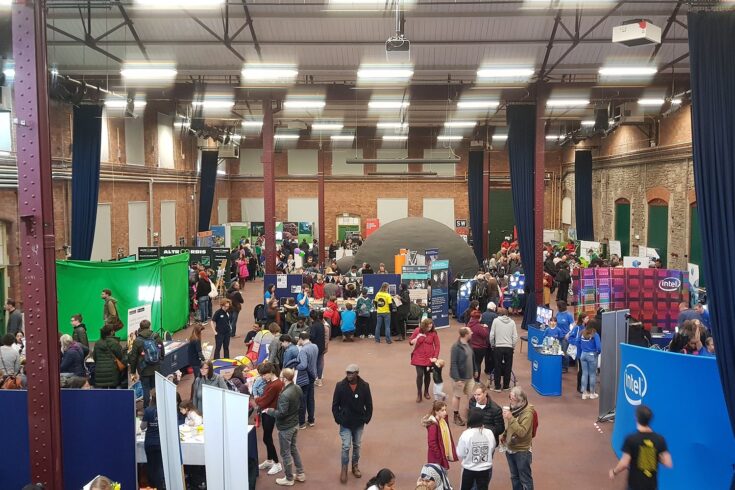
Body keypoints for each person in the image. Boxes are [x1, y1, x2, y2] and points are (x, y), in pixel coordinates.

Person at [609, 405, 673, 489]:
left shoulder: (631, 439)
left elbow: (624, 463)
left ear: (636, 418)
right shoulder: (660, 439)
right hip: (651, 486)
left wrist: (614, 472)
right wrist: (653, 454)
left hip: (634, 485)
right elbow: (668, 463)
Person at [332, 363, 373, 483]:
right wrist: (338, 418)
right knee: (345, 446)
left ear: (357, 373)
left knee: (357, 445)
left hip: (359, 422)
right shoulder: (340, 386)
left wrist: (366, 418)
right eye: (347, 373)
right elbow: (335, 405)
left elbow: (369, 404)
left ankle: (355, 466)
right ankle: (344, 468)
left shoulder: (365, 386)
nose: (348, 375)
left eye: (351, 373)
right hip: (345, 422)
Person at [263, 368, 305, 486]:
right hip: (295, 424)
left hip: (286, 427)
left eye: (281, 377)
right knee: (293, 449)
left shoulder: (285, 394)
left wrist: (269, 411)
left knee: (285, 453)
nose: (280, 378)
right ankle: (300, 473)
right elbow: (301, 404)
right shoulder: (297, 388)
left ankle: (289, 478)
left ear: (285, 379)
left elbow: (281, 413)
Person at [253, 362, 285, 476]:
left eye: (263, 375)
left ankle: (277, 463)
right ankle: (270, 460)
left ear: (270, 373)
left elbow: (263, 401)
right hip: (268, 413)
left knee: (267, 438)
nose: (262, 377)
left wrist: (256, 398)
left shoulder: (274, 385)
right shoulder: (273, 383)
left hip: (269, 414)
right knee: (267, 438)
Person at [502, 386, 535, 490]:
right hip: (510, 447)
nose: (510, 400)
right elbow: (511, 426)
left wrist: (510, 418)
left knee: (525, 479)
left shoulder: (528, 413)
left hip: (522, 451)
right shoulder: (515, 408)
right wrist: (505, 435)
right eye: (510, 397)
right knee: (514, 477)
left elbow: (522, 432)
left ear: (519, 399)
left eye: (512, 398)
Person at [128, 320, 165, 408]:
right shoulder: (156, 336)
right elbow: (162, 350)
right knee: (155, 387)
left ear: (140, 327)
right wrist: (160, 360)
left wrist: (133, 371)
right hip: (156, 367)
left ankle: (146, 408)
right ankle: (157, 406)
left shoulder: (137, 341)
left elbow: (133, 357)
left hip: (144, 369)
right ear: (149, 326)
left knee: (146, 388)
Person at [457, 409, 496, 490]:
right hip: (485, 469)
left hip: (469, 469)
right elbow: (492, 448)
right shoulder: (489, 433)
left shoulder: (466, 434)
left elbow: (461, 453)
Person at [410, 318, 441, 403]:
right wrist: (415, 340)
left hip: (429, 357)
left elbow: (437, 346)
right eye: (428, 327)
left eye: (431, 327)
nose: (429, 328)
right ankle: (419, 394)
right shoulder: (417, 330)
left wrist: (435, 357)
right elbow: (410, 341)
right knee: (419, 375)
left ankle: (426, 391)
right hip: (418, 356)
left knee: (427, 375)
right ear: (424, 325)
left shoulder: (433, 333)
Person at [422, 401, 458, 470]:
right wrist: (439, 456)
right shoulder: (433, 425)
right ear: (436, 411)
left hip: (442, 455)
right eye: (442, 410)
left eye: (445, 410)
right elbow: (432, 443)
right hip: (436, 458)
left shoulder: (442, 421)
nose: (445, 412)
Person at [450, 327, 475, 426]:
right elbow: (454, 363)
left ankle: (470, 414)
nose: (472, 333)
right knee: (457, 396)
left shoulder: (469, 344)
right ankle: (456, 416)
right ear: (466, 334)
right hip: (459, 378)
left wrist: (476, 369)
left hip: (470, 377)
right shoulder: (455, 347)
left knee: (472, 396)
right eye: (470, 332)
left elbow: (472, 357)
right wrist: (457, 379)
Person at [489, 308, 518, 392]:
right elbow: (515, 336)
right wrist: (512, 346)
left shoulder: (495, 321)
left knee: (497, 366)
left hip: (498, 347)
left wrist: (492, 345)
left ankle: (497, 387)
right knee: (508, 367)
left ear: (499, 314)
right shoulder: (512, 322)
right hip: (509, 348)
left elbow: (492, 335)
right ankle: (506, 386)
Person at [141, 389, 164, 490]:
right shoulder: (164, 410)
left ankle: (152, 486)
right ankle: (160, 486)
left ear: (152, 399)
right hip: (160, 442)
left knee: (151, 465)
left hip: (149, 442)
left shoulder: (148, 410)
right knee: (160, 465)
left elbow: (143, 427)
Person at [295, 331, 318, 429]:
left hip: (305, 376)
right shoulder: (315, 346)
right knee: (310, 399)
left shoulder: (303, 350)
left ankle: (301, 422)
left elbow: (303, 365)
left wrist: (295, 365)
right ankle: (311, 420)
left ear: (301, 339)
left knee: (302, 399)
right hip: (313, 374)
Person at [567, 312, 590, 393]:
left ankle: (586, 386)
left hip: (586, 351)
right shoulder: (577, 328)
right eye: (587, 318)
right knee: (581, 370)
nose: (588, 319)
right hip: (579, 352)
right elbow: (570, 338)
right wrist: (577, 343)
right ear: (583, 319)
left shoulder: (587, 327)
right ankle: (579, 386)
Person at [579, 325, 601, 400]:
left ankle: (584, 394)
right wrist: (597, 352)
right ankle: (592, 393)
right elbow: (598, 347)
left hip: (583, 355)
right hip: (592, 355)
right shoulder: (595, 334)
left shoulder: (582, 333)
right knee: (592, 374)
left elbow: (578, 343)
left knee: (584, 374)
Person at [467, 310, 489, 382]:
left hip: (470, 347)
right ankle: (476, 379)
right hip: (480, 348)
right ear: (479, 318)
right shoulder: (478, 327)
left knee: (472, 363)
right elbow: (485, 335)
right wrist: (485, 327)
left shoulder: (469, 325)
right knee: (478, 364)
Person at [309, 310, 328, 387]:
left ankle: (314, 379)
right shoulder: (321, 324)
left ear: (311, 318)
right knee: (320, 363)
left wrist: (307, 336)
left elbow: (312, 336)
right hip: (321, 346)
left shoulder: (314, 326)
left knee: (313, 363)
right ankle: (319, 379)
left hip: (315, 347)